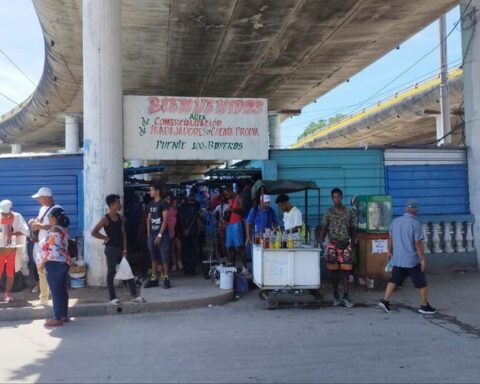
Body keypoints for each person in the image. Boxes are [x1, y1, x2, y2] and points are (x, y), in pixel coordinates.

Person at [379, 200, 436, 314]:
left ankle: (385, 301)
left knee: (394, 279)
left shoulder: (395, 222)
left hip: (398, 259)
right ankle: (424, 306)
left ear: (406, 209)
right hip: (411, 260)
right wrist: (422, 259)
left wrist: (389, 252)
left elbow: (390, 238)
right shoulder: (415, 224)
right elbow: (418, 243)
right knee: (422, 283)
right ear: (416, 211)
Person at [91, 194, 146, 305]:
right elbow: (94, 232)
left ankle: (134, 296)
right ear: (111, 205)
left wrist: (125, 249)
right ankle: (112, 298)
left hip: (120, 249)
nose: (120, 204)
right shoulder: (105, 219)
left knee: (128, 270)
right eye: (118, 202)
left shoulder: (120, 218)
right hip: (111, 249)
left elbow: (123, 234)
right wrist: (105, 237)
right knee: (111, 272)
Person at [321, 188, 356, 308]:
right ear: (332, 199)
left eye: (338, 197)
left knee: (346, 272)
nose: (336, 199)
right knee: (333, 272)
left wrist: (353, 243)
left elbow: (353, 229)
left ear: (342, 197)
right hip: (333, 245)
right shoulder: (328, 212)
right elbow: (324, 228)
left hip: (346, 245)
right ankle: (336, 296)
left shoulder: (349, 212)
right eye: (334, 197)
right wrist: (320, 241)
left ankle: (346, 296)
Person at [28, 187, 63, 305]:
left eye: (40, 197)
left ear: (47, 197)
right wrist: (34, 222)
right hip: (41, 244)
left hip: (52, 245)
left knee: (51, 272)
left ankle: (55, 298)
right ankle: (43, 298)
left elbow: (58, 227)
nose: (38, 200)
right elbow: (40, 222)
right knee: (41, 271)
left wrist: (40, 226)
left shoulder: (57, 209)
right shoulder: (43, 208)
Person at [37, 207, 71, 327]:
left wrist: (42, 262)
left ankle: (57, 318)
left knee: (56, 292)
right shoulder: (63, 229)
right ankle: (64, 315)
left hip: (54, 263)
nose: (49, 219)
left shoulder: (54, 231)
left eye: (50, 217)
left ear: (55, 218)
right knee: (62, 290)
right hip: (64, 262)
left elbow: (52, 251)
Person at [0, 200, 30, 303]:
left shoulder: (17, 217)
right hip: (0, 249)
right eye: (2, 213)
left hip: (12, 249)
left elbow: (26, 231)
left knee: (10, 272)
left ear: (11, 210)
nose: (4, 215)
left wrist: (15, 233)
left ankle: (7, 294)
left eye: (6, 213)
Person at [144, 184, 171, 288]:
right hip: (152, 235)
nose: (150, 192)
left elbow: (165, 220)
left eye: (151, 190)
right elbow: (148, 220)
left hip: (162, 235)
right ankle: (154, 279)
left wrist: (159, 235)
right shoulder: (150, 204)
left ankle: (166, 279)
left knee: (164, 257)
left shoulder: (163, 203)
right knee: (153, 257)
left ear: (157, 191)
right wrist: (148, 234)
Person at [224, 187, 248, 275]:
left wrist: (232, 210)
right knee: (230, 247)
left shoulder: (239, 198)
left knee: (240, 247)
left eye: (227, 194)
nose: (226, 196)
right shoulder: (230, 200)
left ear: (231, 191)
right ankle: (232, 267)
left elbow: (243, 211)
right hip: (229, 225)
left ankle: (245, 267)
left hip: (237, 224)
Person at [179, 193, 200, 276]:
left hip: (186, 231)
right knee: (192, 250)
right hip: (192, 230)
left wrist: (184, 229)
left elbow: (180, 218)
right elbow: (195, 218)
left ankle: (187, 269)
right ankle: (190, 269)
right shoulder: (196, 205)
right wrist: (187, 229)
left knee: (186, 250)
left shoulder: (183, 206)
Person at [166, 196, 182, 272]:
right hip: (171, 231)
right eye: (174, 203)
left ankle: (179, 261)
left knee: (178, 248)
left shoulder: (179, 211)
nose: (175, 204)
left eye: (176, 203)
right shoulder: (168, 210)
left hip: (177, 231)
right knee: (172, 249)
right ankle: (175, 263)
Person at [212, 194, 229, 259]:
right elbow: (214, 213)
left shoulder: (227, 206)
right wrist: (215, 214)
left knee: (225, 239)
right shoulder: (218, 207)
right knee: (220, 239)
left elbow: (227, 216)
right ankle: (222, 253)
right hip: (220, 224)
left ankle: (225, 253)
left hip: (226, 224)